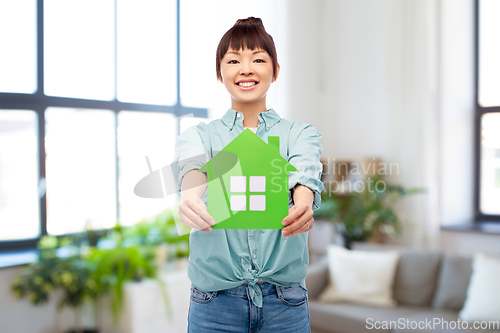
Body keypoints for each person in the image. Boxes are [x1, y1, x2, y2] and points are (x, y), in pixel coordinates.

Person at [173, 16, 324, 333]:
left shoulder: (300, 133)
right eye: (233, 60)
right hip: (214, 305)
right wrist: (189, 197)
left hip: (285, 304)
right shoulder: (200, 136)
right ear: (220, 73)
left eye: (258, 59)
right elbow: (192, 168)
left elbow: (304, 172)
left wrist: (303, 203)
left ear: (275, 70)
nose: (245, 69)